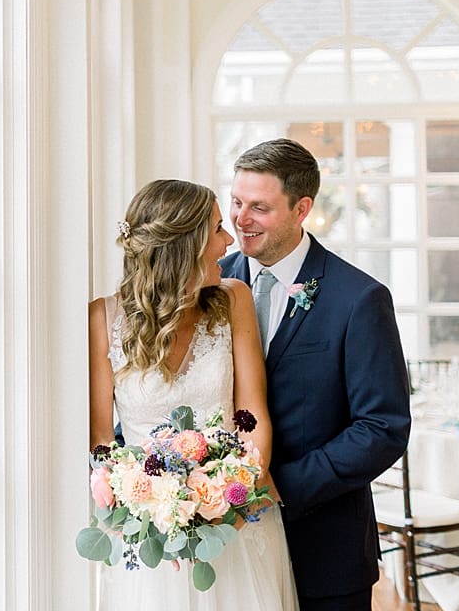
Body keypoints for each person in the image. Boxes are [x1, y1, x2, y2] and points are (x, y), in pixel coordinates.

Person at [219, 138, 411, 611]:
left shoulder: (359, 298)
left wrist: (278, 485)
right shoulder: (209, 284)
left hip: (325, 547)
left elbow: (383, 427)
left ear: (301, 208)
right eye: (237, 202)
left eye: (259, 208)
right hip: (226, 547)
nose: (240, 220)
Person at [89, 179, 299, 610]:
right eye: (218, 229)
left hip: (238, 522)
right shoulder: (101, 318)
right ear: (184, 245)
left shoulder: (233, 300)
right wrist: (143, 506)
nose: (228, 241)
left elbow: (252, 413)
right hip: (149, 536)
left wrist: (235, 499)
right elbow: (102, 444)